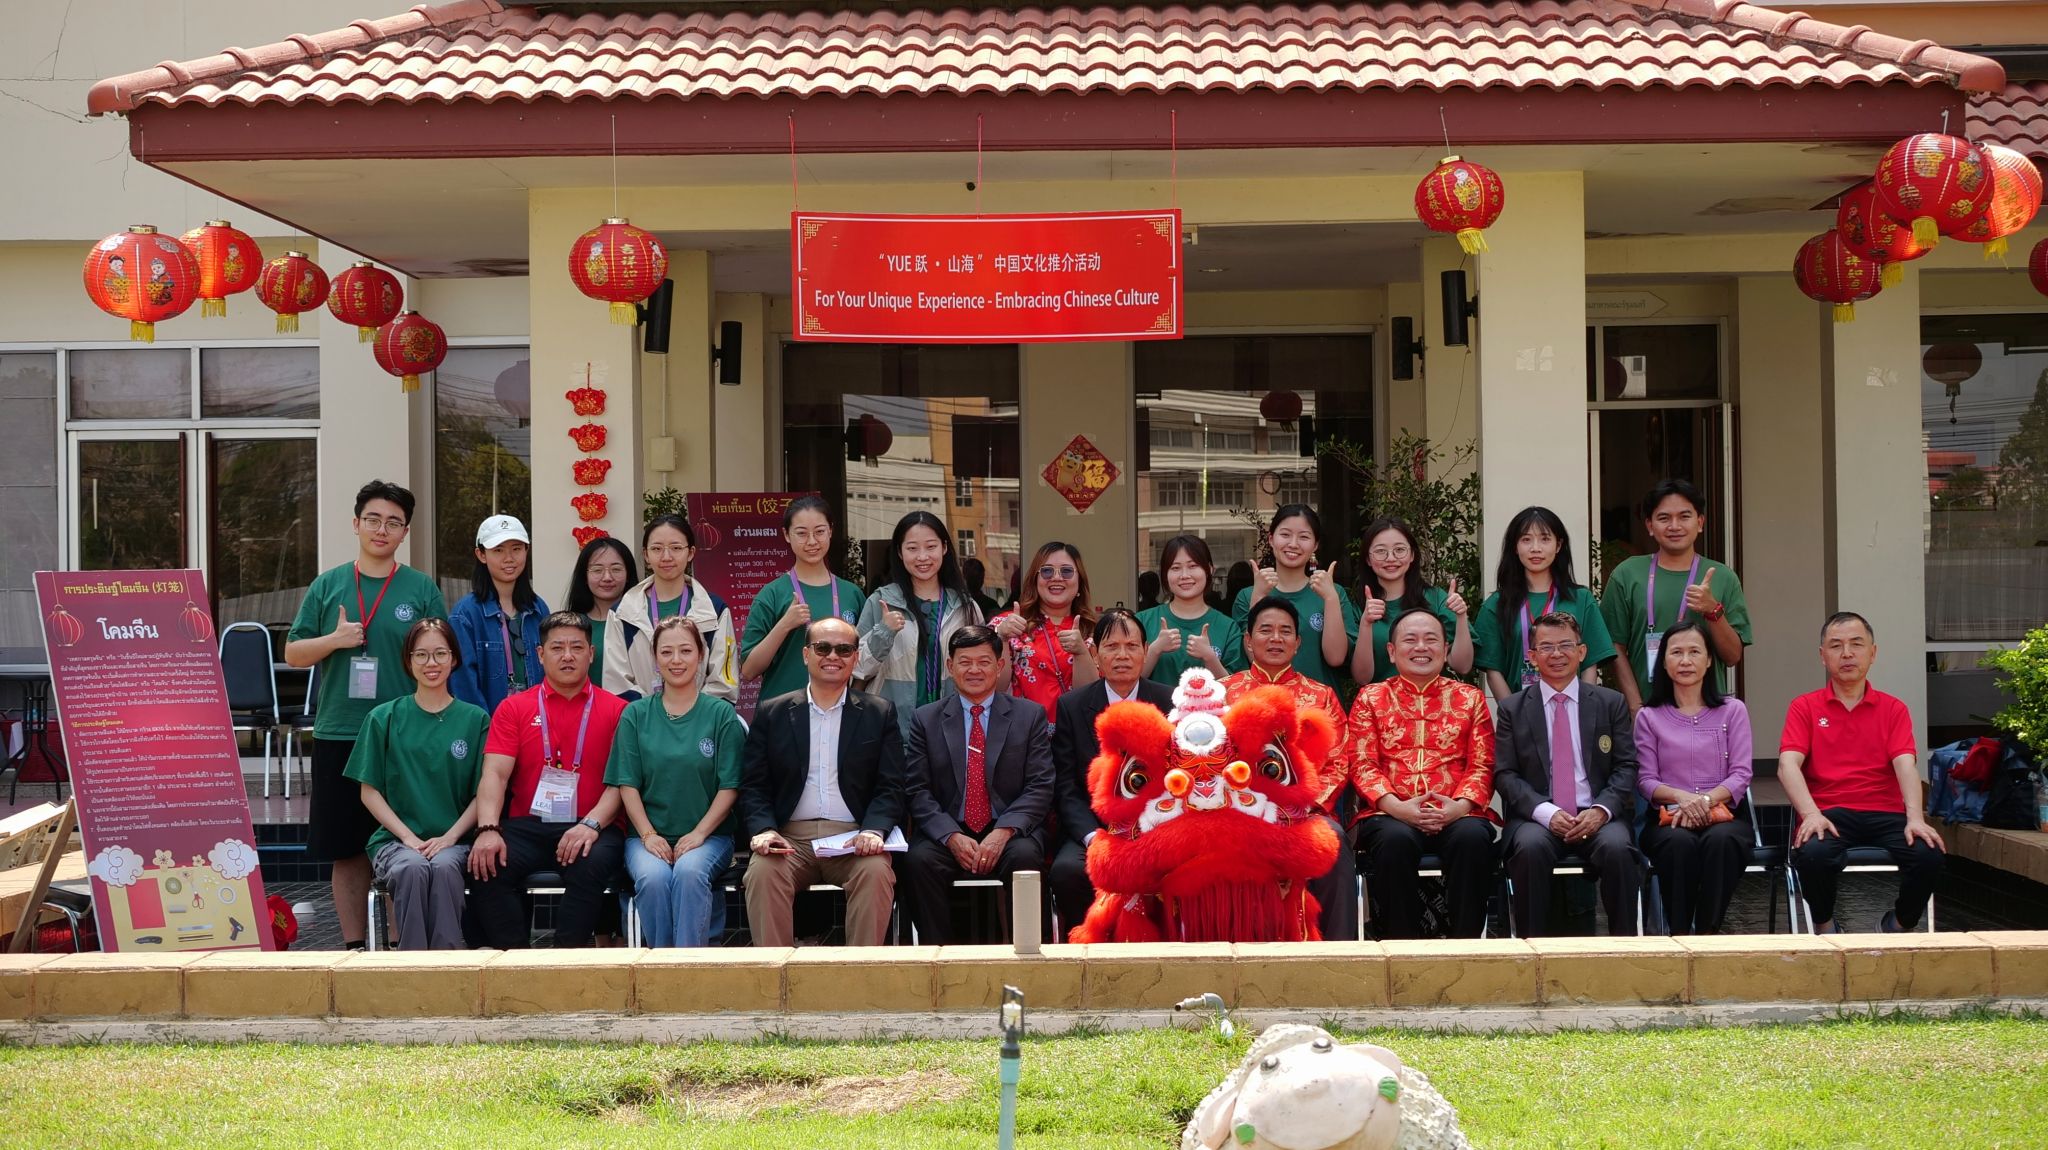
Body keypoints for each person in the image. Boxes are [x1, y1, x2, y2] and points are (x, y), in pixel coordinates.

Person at [285, 479, 447, 951]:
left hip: (404, 734)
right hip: (341, 732)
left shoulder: (420, 588)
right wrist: (335, 640)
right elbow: (293, 653)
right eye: (373, 519)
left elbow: (441, 655)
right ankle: (354, 946)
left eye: (393, 522)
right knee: (347, 849)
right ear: (356, 524)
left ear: (405, 532)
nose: (382, 529)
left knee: (403, 843)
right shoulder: (328, 584)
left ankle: (400, 945)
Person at [739, 617, 906, 947]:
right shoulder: (773, 712)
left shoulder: (879, 712)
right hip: (790, 839)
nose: (833, 656)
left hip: (852, 839)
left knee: (875, 871)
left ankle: (862, 972)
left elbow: (891, 784)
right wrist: (764, 830)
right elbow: (754, 784)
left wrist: (874, 830)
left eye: (843, 649)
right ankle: (775, 973)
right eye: (822, 648)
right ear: (806, 655)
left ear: (856, 657)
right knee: (762, 871)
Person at [466, 613, 629, 948]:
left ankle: (563, 961)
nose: (567, 656)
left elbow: (622, 782)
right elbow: (495, 774)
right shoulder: (513, 708)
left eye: (576, 647)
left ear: (591, 654)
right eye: (557, 648)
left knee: (590, 863)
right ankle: (516, 961)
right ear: (540, 654)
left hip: (593, 824)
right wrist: (487, 829)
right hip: (527, 825)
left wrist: (591, 825)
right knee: (487, 863)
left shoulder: (619, 710)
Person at [1780, 612, 1944, 934]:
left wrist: (1915, 817)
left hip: (1886, 812)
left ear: (1873, 653)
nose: (1847, 654)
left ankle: (1898, 925)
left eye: (1856, 644)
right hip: (1828, 812)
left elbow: (1905, 765)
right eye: (1836, 646)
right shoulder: (1805, 707)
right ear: (1822, 656)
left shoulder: (1893, 708)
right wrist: (1810, 814)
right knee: (1813, 855)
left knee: (1929, 855)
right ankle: (1826, 926)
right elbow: (1787, 764)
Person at [901, 625, 1055, 945]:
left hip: (1009, 828)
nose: (974, 670)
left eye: (984, 662)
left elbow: (1040, 785)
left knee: (1025, 858)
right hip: (949, 828)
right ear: (950, 666)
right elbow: (917, 789)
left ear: (999, 666)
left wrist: (1004, 831)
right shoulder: (925, 719)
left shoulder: (1029, 716)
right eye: (965, 662)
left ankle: (1030, 957)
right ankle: (937, 958)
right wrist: (951, 836)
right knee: (918, 861)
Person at [1347, 610, 1497, 939]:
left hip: (1457, 811)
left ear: (1445, 650)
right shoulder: (1371, 698)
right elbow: (1361, 763)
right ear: (1391, 651)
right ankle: (1402, 950)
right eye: (1410, 640)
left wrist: (1458, 807)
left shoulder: (1469, 698)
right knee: (1394, 841)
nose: (1421, 647)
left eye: (1431, 640)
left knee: (1473, 838)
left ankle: (1467, 947)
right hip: (1390, 812)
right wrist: (1398, 808)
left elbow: (1483, 763)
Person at [344, 618, 487, 950]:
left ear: (454, 658)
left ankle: (446, 964)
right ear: (408, 661)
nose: (431, 663)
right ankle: (412, 965)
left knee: (445, 868)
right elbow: (369, 791)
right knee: (412, 868)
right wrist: (408, 837)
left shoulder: (475, 719)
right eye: (421, 655)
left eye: (440, 653)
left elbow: (485, 793)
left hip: (455, 841)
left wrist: (451, 837)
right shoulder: (384, 717)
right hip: (396, 841)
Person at [1219, 597, 1358, 941]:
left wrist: (1303, 806)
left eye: (1285, 631)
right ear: (1248, 640)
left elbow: (1339, 760)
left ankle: (1341, 953)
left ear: (1298, 643)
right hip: (1237, 814)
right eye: (1266, 630)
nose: (1275, 638)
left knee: (1333, 840)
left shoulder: (1321, 696)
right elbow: (1205, 760)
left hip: (1306, 814)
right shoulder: (1222, 694)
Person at [1495, 612, 1639, 937]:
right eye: (1546, 647)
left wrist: (1600, 811)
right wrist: (1546, 812)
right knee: (1529, 849)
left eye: (1566, 645)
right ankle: (1531, 949)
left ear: (1582, 651)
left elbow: (1626, 766)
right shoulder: (1512, 709)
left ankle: (1626, 950)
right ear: (1532, 656)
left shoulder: (1610, 703)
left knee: (1618, 850)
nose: (1557, 654)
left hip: (1597, 815)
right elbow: (1505, 774)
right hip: (1538, 819)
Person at [606, 617, 745, 948]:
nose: (676, 660)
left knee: (689, 872)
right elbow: (627, 784)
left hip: (710, 836)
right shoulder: (635, 715)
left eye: (686, 650)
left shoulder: (721, 715)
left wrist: (699, 834)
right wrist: (648, 835)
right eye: (666, 652)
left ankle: (687, 966)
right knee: (653, 878)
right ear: (655, 658)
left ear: (701, 654)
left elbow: (730, 786)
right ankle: (662, 963)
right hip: (646, 837)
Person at [1048, 608, 1175, 932]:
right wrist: (1093, 837)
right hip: (1095, 828)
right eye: (1111, 647)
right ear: (1095, 654)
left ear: (1145, 651)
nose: (1122, 656)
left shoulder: (1169, 703)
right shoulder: (1072, 706)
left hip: (1156, 827)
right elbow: (1066, 787)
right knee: (1066, 871)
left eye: (1131, 646)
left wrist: (1153, 829)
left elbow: (1180, 776)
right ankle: (1087, 946)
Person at [1634, 619, 1753, 935]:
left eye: (1694, 652)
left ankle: (1707, 936)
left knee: (1722, 841)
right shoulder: (1649, 716)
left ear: (1709, 660)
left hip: (1725, 815)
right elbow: (1646, 780)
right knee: (1678, 844)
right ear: (1664, 662)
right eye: (1676, 653)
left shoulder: (1733, 710)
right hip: (1668, 819)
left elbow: (1741, 774)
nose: (1685, 661)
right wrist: (1681, 798)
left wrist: (1704, 801)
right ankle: (1679, 934)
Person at [1601, 479, 1752, 712]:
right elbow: (1614, 648)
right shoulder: (1627, 574)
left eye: (1684, 517)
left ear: (1700, 523)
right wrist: (1636, 708)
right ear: (1650, 525)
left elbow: (1732, 656)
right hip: (1648, 712)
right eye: (1664, 518)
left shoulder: (1723, 577)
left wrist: (1713, 611)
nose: (1674, 526)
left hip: (1708, 714)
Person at [855, 510, 985, 739]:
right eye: (912, 548)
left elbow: (983, 670)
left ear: (944, 548)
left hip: (952, 731)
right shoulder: (881, 602)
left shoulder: (965, 607)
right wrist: (884, 633)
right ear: (899, 552)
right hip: (892, 730)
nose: (922, 557)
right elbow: (856, 668)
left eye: (931, 546)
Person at [1473, 507, 1616, 701]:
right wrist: (1513, 713)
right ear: (1515, 546)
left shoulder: (1581, 599)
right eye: (1526, 539)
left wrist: (1582, 708)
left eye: (1545, 539)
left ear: (1558, 545)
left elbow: (1590, 664)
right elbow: (1493, 671)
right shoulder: (1496, 605)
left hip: (1573, 708)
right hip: (1519, 711)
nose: (1536, 548)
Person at [740, 494, 866, 704]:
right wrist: (785, 625)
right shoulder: (772, 594)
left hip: (839, 712)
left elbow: (865, 662)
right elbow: (749, 670)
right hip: (782, 713)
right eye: (801, 533)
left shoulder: (851, 594)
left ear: (830, 531)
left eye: (819, 532)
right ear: (786, 535)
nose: (812, 541)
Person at [604, 514, 738, 703]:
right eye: (657, 549)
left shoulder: (714, 611)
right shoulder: (622, 613)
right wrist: (653, 714)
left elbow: (724, 685)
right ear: (646, 555)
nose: (666, 557)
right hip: (641, 718)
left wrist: (690, 714)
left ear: (690, 553)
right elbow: (617, 684)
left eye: (676, 548)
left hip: (701, 719)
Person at [1225, 505, 1358, 694]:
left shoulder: (1332, 593)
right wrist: (1258, 596)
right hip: (1267, 705)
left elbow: (1335, 658)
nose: (1293, 544)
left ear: (1315, 545)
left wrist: (1330, 598)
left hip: (1320, 706)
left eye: (1304, 537)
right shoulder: (1247, 596)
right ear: (1271, 539)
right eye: (1285, 535)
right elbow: (1255, 659)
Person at [1348, 517, 1472, 685]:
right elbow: (1362, 678)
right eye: (1380, 551)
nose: (1391, 558)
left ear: (1412, 555)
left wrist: (1461, 616)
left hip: (1433, 699)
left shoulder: (1436, 598)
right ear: (1368, 559)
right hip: (1381, 700)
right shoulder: (1358, 607)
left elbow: (1462, 666)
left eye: (1399, 550)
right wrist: (1366, 623)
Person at [447, 514, 548, 715]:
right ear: (481, 555)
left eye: (516, 549)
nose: (509, 558)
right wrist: (484, 726)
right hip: (489, 724)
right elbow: (463, 683)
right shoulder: (465, 614)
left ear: (526, 551)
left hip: (537, 722)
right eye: (498, 550)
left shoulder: (538, 608)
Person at [991, 541, 1100, 721]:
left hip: (1075, 734)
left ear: (1080, 581)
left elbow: (1093, 697)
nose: (1056, 578)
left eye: (1066, 571)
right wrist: (1001, 638)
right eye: (1047, 571)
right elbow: (994, 689)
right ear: (1035, 580)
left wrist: (1081, 652)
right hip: (1021, 732)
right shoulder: (1005, 624)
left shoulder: (1096, 631)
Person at [1139, 534, 1235, 687]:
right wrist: (1155, 650)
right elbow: (1124, 683)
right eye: (1175, 568)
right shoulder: (1142, 622)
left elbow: (1237, 689)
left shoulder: (1228, 627)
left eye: (1193, 566)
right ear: (1165, 574)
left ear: (1210, 569)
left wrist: (1210, 657)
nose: (1184, 575)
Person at [563, 535, 638, 678]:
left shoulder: (640, 623)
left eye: (616, 569)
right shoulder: (570, 626)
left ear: (628, 574)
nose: (607, 577)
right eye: (597, 570)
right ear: (584, 577)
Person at [961, 556, 1002, 621]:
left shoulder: (957, 604)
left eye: (977, 577)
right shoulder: (992, 605)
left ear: (963, 577)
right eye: (972, 577)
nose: (975, 581)